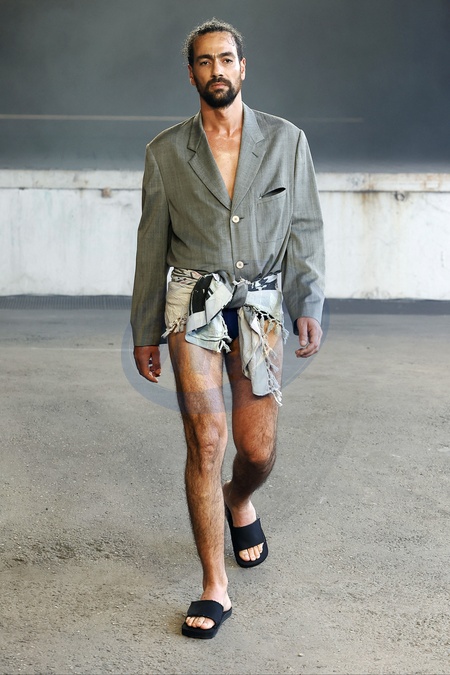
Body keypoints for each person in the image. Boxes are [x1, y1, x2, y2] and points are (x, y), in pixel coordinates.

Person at [131, 18, 325, 639]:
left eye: (225, 59)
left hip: (262, 304)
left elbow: (304, 228)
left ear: (243, 68)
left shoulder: (287, 141)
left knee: (257, 450)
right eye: (204, 61)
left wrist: (307, 302)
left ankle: (239, 499)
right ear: (191, 75)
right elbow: (150, 246)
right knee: (206, 440)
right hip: (193, 302)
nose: (216, 70)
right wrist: (143, 328)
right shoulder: (166, 153)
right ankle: (214, 584)